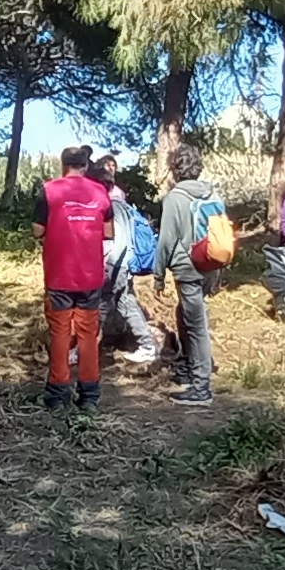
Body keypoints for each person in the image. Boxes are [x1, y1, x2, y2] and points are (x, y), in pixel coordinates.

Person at [34, 144, 114, 410]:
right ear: (86, 165)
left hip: (58, 275)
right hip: (90, 276)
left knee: (59, 334)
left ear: (63, 164)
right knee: (87, 336)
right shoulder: (101, 192)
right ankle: (89, 396)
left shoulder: (49, 190)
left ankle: (58, 395)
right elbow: (109, 232)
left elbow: (37, 231)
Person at [153, 144, 224, 408]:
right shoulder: (213, 194)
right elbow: (222, 234)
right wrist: (219, 273)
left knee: (197, 326)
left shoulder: (175, 198)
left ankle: (201, 389)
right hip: (211, 265)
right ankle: (189, 370)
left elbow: (166, 240)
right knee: (185, 315)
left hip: (188, 268)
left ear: (175, 168)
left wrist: (158, 274)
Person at [91, 155, 161, 363]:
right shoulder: (124, 207)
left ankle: (84, 349)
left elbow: (110, 240)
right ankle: (147, 345)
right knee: (125, 302)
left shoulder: (105, 207)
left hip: (111, 263)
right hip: (125, 263)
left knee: (100, 305)